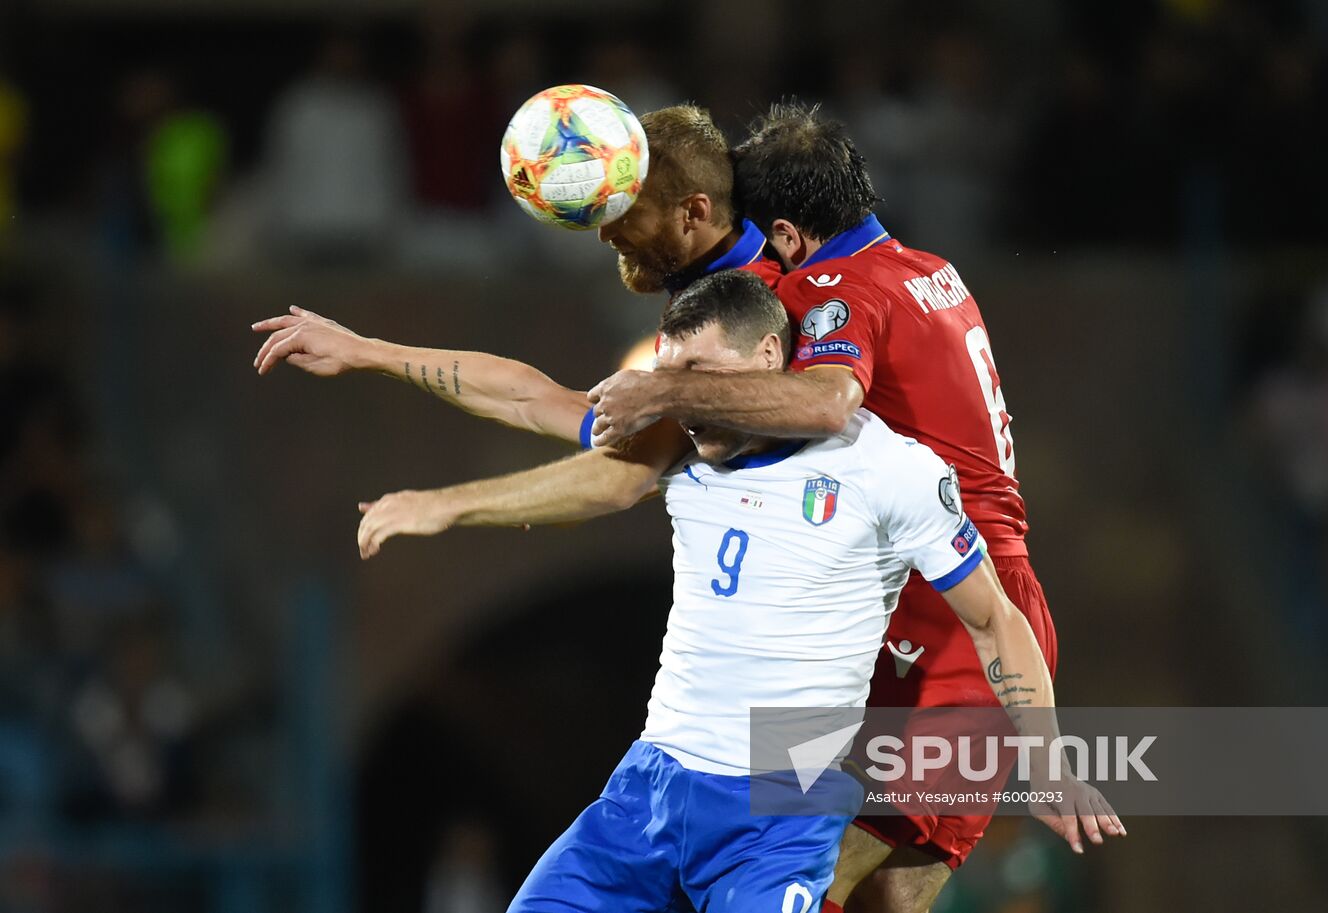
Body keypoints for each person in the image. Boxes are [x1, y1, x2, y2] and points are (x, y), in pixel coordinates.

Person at [356, 270, 1111, 913]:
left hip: (778, 812)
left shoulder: (888, 470)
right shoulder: (679, 453)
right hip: (646, 792)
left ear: (770, 355)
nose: (684, 400)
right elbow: (526, 396)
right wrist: (367, 353)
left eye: (701, 377)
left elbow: (995, 620)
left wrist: (1044, 757)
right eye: (670, 376)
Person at [251, 104, 779, 436]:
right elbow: (540, 400)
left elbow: (624, 476)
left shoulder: (773, 304)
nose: (604, 235)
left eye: (622, 215)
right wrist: (369, 351)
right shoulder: (703, 289)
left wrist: (462, 505)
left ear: (694, 212)